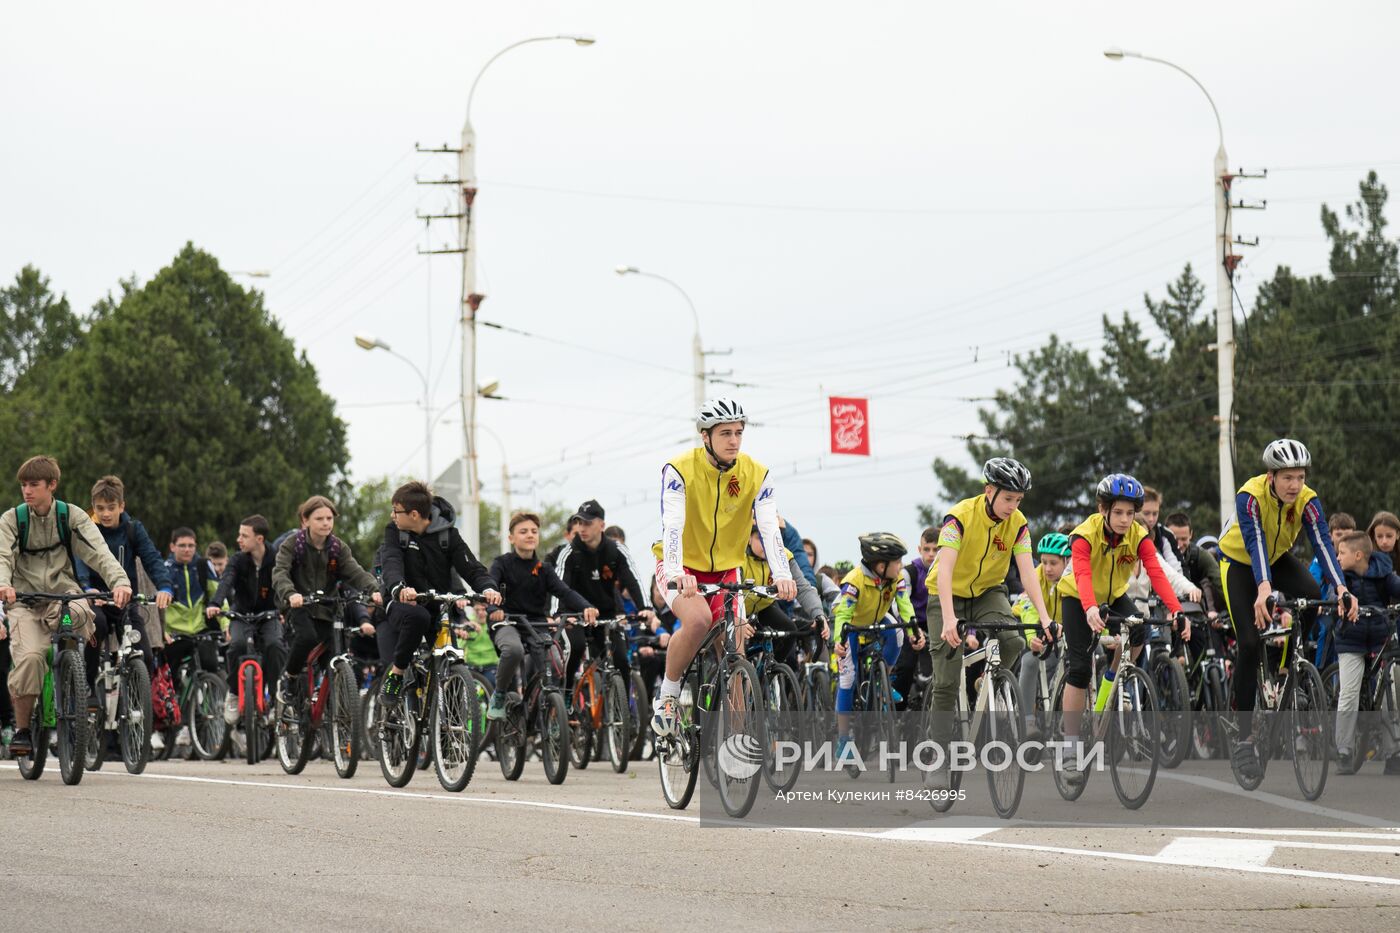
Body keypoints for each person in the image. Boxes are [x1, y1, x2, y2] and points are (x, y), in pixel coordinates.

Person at [650, 398, 796, 736]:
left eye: (739, 433)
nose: (733, 440)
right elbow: (672, 525)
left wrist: (783, 574)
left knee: (736, 655)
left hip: (727, 571)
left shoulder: (756, 473)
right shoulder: (679, 469)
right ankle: (669, 697)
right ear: (705, 436)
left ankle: (739, 740)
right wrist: (675, 572)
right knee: (699, 620)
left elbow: (770, 527)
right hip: (681, 567)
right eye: (725, 433)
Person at [1216, 439, 1355, 784]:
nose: (1295, 485)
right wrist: (1263, 588)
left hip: (1276, 561)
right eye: (1288, 477)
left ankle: (1287, 667)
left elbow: (1323, 541)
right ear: (1271, 476)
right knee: (1248, 644)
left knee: (1311, 594)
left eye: (1300, 477)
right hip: (1238, 564)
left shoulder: (1308, 500)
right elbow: (1255, 543)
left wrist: (1341, 588)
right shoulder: (1250, 496)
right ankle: (1244, 736)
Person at [926, 458, 1053, 781]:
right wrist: (949, 619)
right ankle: (938, 757)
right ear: (989, 491)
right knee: (946, 678)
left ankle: (989, 677)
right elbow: (946, 571)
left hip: (987, 592)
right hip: (947, 594)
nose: (1013, 506)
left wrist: (1046, 617)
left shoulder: (1019, 523)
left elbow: (1028, 572)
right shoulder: (959, 518)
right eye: (1008, 498)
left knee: (1014, 640)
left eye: (1018, 500)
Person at [1056, 474, 1184, 787]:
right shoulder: (1084, 535)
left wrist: (1177, 610)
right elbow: (1083, 576)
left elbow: (1156, 573)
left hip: (1113, 595)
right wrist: (1088, 609)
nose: (1126, 520)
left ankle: (1112, 681)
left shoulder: (1138, 535)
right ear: (1104, 510)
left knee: (1141, 631)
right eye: (1119, 513)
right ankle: (1071, 747)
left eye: (1130, 513)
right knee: (1079, 669)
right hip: (1077, 599)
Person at [0, 456, 132, 758]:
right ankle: (22, 729)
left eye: (34, 484)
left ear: (52, 485)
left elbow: (99, 552)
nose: (27, 491)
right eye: (23, 485)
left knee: (85, 612)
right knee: (31, 658)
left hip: (62, 594)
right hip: (22, 599)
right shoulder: (12, 519)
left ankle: (79, 676)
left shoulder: (70, 516)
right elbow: (2, 556)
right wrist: (3, 584)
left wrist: (120, 582)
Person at [377, 482, 498, 699]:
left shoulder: (448, 535)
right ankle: (397, 673)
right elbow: (391, 562)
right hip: (402, 602)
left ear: (414, 514)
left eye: (396, 511)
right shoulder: (395, 531)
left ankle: (447, 726)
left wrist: (488, 588)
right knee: (418, 617)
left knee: (451, 663)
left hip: (437, 605)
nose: (392, 515)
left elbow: (471, 568)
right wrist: (399, 587)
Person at [487, 511, 596, 720]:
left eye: (534, 531)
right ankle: (499, 694)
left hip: (536, 625)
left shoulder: (544, 569)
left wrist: (586, 607)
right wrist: (494, 610)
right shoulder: (502, 563)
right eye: (523, 531)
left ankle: (543, 714)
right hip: (507, 621)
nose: (530, 535)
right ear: (511, 538)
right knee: (513, 650)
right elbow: (490, 587)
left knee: (555, 664)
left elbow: (565, 592)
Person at [273, 495, 382, 703]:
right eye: (319, 518)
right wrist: (290, 594)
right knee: (306, 637)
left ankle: (329, 711)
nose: (325, 523)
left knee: (334, 657)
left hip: (328, 608)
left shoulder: (337, 548)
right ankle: (290, 677)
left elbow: (355, 572)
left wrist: (374, 590)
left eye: (329, 518)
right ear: (305, 521)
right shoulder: (292, 545)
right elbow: (280, 573)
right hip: (300, 606)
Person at [79, 475, 172, 691]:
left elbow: (152, 559)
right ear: (93, 507)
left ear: (122, 506)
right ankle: (87, 690)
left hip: (125, 603)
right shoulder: (86, 530)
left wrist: (164, 587)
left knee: (145, 656)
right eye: (100, 508)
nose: (105, 514)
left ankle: (133, 704)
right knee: (97, 627)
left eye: (111, 507)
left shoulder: (133, 529)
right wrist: (87, 588)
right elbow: (80, 561)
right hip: (96, 601)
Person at [832, 534, 920, 760]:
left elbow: (904, 606)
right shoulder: (854, 581)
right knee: (848, 678)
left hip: (878, 618)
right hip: (852, 624)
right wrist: (839, 642)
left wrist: (914, 633)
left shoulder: (895, 577)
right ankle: (843, 739)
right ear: (881, 566)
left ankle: (882, 683)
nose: (901, 566)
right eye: (898, 562)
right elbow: (843, 614)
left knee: (899, 633)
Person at [555, 499, 651, 693]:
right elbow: (559, 587)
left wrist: (645, 608)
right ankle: (566, 693)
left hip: (606, 614)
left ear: (602, 525)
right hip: (575, 615)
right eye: (580, 523)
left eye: (588, 523)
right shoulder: (569, 552)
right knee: (577, 647)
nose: (582, 528)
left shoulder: (616, 550)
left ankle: (623, 712)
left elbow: (633, 579)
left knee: (621, 659)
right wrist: (559, 614)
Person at [1330, 531, 1400, 774]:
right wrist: (1338, 605)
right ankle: (1344, 751)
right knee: (1349, 692)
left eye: (1341, 553)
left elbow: (1397, 588)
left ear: (1358, 555)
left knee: (1389, 693)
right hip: (1351, 640)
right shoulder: (1340, 580)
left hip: (1380, 640)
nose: (1337, 558)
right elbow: (1333, 597)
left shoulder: (1383, 573)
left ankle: (1393, 753)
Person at [211, 514, 284, 723]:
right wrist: (216, 603)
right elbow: (226, 581)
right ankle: (233, 693)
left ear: (259, 539)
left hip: (269, 614)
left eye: (244, 535)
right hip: (241, 614)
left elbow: (285, 583)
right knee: (237, 646)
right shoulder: (238, 559)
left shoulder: (277, 557)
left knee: (275, 645)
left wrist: (285, 608)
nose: (238, 539)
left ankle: (276, 698)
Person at [741, 525, 828, 670]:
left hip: (764, 606)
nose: (765, 543)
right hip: (737, 605)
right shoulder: (738, 554)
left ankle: (764, 675)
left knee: (789, 631)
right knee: (735, 647)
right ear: (749, 539)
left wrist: (819, 614)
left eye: (768, 538)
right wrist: (739, 619)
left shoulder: (783, 555)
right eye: (759, 538)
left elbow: (803, 588)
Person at [1013, 532, 1069, 736]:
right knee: (1030, 661)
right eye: (1044, 562)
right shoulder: (1036, 575)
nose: (1047, 568)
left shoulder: (1075, 577)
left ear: (1066, 561)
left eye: (1053, 563)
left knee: (1095, 652)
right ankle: (1028, 722)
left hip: (1062, 629)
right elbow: (1029, 610)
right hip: (1033, 623)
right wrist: (1031, 638)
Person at [162, 526, 224, 685]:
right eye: (182, 545)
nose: (187, 550)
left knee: (211, 664)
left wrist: (226, 625)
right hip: (174, 632)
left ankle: (211, 699)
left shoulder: (203, 566)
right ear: (172, 547)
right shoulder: (164, 570)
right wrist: (162, 631)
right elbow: (157, 606)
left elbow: (218, 595)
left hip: (200, 629)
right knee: (170, 675)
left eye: (191, 546)